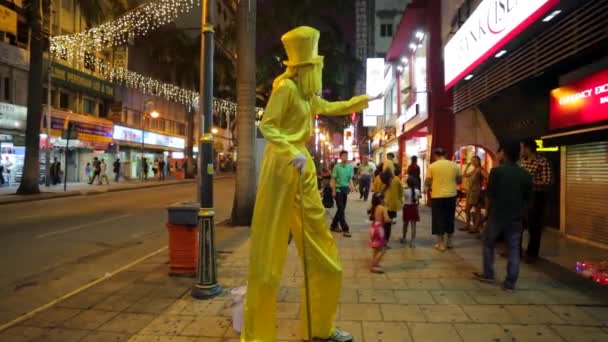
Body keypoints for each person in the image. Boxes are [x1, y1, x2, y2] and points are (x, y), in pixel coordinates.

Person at [242, 26, 382, 342]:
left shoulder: (306, 96)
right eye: (317, 66)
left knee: (326, 258)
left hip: (301, 167)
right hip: (283, 167)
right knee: (269, 254)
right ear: (306, 68)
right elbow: (269, 126)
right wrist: (292, 151)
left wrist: (365, 99)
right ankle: (258, 335)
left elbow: (334, 108)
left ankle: (320, 327)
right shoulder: (287, 90)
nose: (320, 71)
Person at [473, 143, 532, 292]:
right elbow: (528, 199)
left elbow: (490, 196)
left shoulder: (497, 172)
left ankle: (488, 273)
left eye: (500, 153)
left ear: (504, 154)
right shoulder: (525, 174)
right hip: (516, 216)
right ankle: (510, 283)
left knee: (488, 243)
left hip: (498, 214)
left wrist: (487, 213)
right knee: (513, 248)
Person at [519, 139, 553, 263]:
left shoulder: (542, 161)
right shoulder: (522, 162)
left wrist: (530, 182)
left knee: (534, 225)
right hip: (522, 195)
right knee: (519, 223)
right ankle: (516, 250)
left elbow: (548, 181)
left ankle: (532, 253)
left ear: (528, 148)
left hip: (536, 196)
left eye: (522, 148)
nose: (521, 150)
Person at [426, 148, 462, 251]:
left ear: (435, 155)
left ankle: (441, 244)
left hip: (437, 195)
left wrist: (428, 186)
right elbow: (459, 180)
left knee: (438, 219)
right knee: (450, 218)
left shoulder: (432, 166)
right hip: (451, 195)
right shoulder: (454, 165)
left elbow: (428, 181)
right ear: (445, 154)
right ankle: (450, 241)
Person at [330, 150, 355, 237]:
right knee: (341, 209)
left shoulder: (350, 167)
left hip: (345, 190)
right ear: (340, 157)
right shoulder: (336, 167)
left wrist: (352, 186)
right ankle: (345, 229)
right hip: (338, 190)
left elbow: (350, 178)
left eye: (346, 155)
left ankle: (333, 225)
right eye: (343, 156)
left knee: (341, 209)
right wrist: (333, 191)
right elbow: (333, 179)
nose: (345, 157)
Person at [462, 156, 487, 234]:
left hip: (476, 192)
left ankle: (475, 227)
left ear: (479, 161)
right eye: (472, 160)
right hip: (470, 191)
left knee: (476, 210)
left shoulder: (480, 169)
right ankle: (468, 226)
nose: (473, 162)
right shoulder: (474, 170)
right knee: (468, 209)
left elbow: (487, 176)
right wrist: (467, 166)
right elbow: (465, 175)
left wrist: (483, 185)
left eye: (475, 160)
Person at [368, 192, 390, 273]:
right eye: (384, 198)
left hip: (373, 227)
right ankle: (374, 265)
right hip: (379, 229)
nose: (385, 200)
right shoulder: (383, 208)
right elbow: (387, 219)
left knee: (375, 249)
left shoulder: (375, 207)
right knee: (383, 249)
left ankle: (374, 263)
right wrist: (391, 219)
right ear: (381, 199)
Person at [382, 168, 403, 247]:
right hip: (392, 206)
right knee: (388, 225)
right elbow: (401, 192)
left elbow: (378, 190)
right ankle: (385, 241)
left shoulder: (383, 180)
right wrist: (400, 200)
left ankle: (381, 240)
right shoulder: (396, 180)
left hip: (383, 206)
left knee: (384, 224)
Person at [402, 176, 421, 247]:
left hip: (407, 208)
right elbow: (418, 199)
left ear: (407, 183)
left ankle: (404, 238)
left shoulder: (405, 191)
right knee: (413, 225)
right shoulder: (417, 191)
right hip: (414, 208)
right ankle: (412, 241)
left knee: (405, 224)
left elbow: (404, 198)